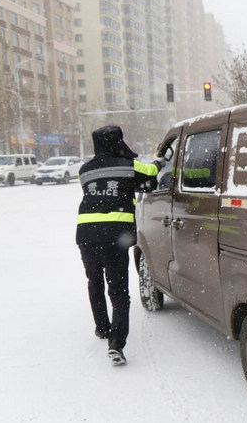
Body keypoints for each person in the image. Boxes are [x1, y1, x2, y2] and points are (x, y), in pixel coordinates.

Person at [76, 125, 164, 366]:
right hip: (115, 236)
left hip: (86, 234)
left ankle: (102, 327)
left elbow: (100, 190)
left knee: (94, 282)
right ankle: (116, 343)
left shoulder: (84, 170)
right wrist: (160, 159)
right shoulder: (128, 165)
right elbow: (152, 170)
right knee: (119, 291)